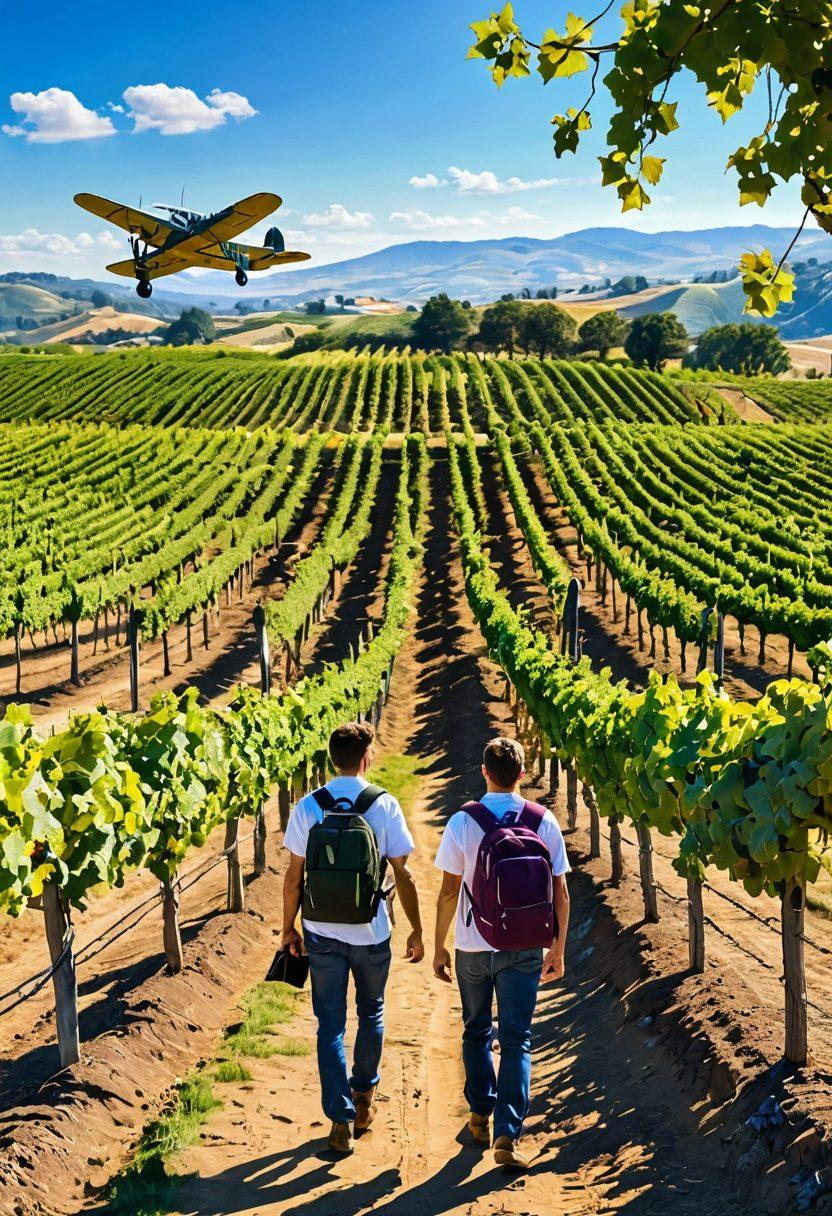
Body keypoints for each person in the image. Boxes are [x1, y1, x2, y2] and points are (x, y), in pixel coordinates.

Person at [282, 720, 424, 1155]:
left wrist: (288, 927)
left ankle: (339, 1120)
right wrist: (417, 929)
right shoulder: (383, 805)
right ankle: (363, 1098)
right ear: (366, 759)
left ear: (331, 759)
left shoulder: (309, 806)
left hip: (321, 930)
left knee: (329, 1025)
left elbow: (293, 878)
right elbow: (403, 873)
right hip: (372, 930)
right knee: (372, 1013)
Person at [433, 736, 570, 1170]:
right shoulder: (542, 819)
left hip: (474, 946)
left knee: (476, 1031)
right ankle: (508, 1133)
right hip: (526, 944)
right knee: (517, 1040)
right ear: (523, 774)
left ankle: (479, 1113)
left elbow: (449, 891)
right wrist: (558, 948)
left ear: (484, 771)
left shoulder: (463, 821)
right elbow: (561, 892)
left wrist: (438, 944)